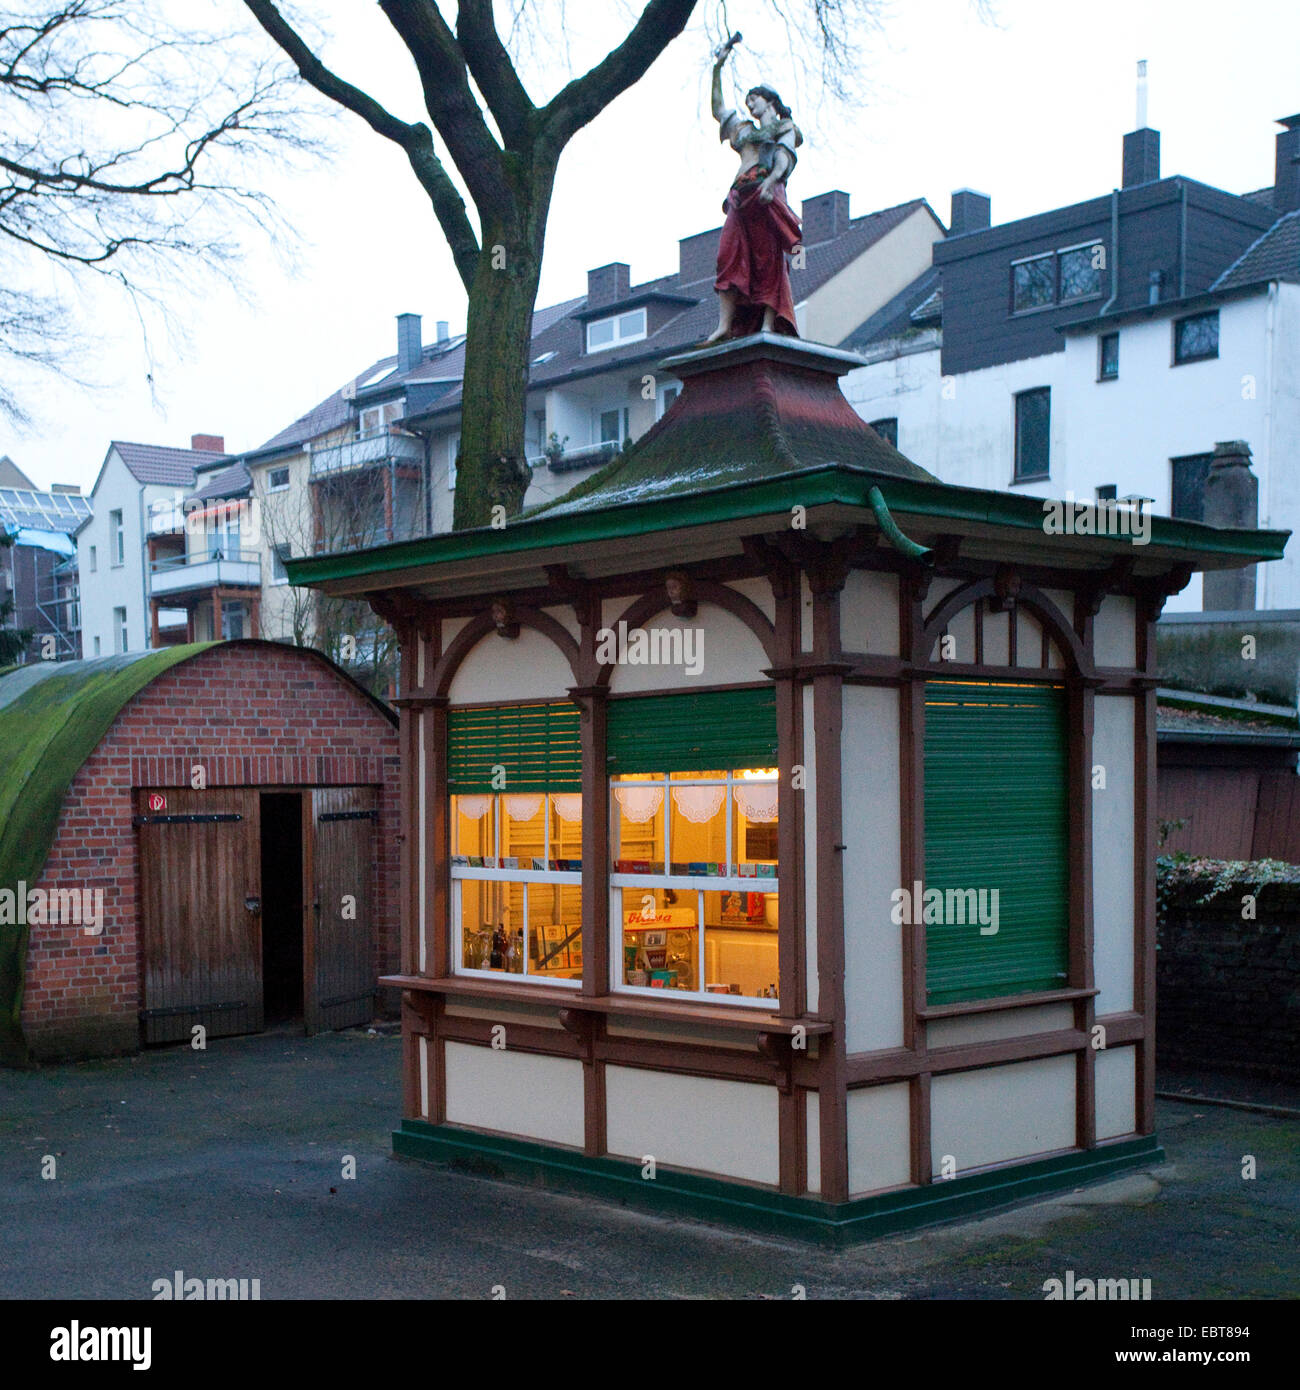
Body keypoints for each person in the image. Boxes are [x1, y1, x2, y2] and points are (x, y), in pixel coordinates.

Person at [705, 39, 804, 343]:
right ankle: (724, 324)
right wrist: (717, 67)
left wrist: (771, 182)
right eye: (748, 101)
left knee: (768, 259)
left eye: (755, 99)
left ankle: (768, 324)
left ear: (770, 101)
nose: (750, 105)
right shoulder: (745, 130)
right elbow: (719, 109)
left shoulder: (784, 127)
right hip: (740, 195)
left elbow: (785, 157)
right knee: (728, 255)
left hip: (766, 196)